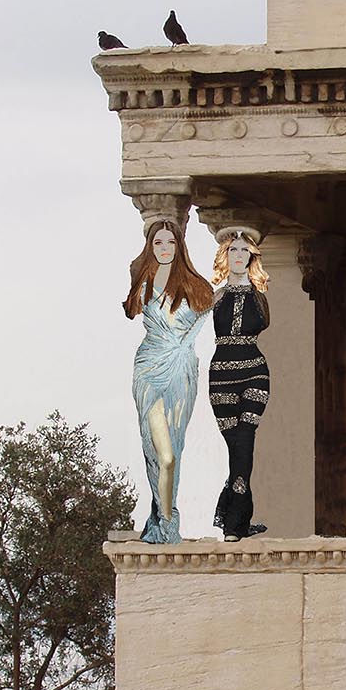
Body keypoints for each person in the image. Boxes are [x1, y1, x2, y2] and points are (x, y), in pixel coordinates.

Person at [123, 218, 217, 544]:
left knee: (174, 451)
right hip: (149, 370)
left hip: (181, 374)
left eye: (170, 242)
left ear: (180, 246)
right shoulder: (142, 282)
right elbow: (131, 311)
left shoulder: (196, 286)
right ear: (150, 246)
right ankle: (166, 523)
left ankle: (160, 518)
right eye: (158, 243)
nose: (164, 248)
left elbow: (208, 310)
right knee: (161, 454)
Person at [208, 228, 270, 540]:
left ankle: (233, 526)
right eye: (233, 250)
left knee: (245, 441)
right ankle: (239, 519)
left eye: (244, 251)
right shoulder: (215, 297)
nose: (238, 256)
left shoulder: (260, 297)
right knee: (236, 447)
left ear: (251, 257)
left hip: (255, 371)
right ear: (226, 255)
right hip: (221, 376)